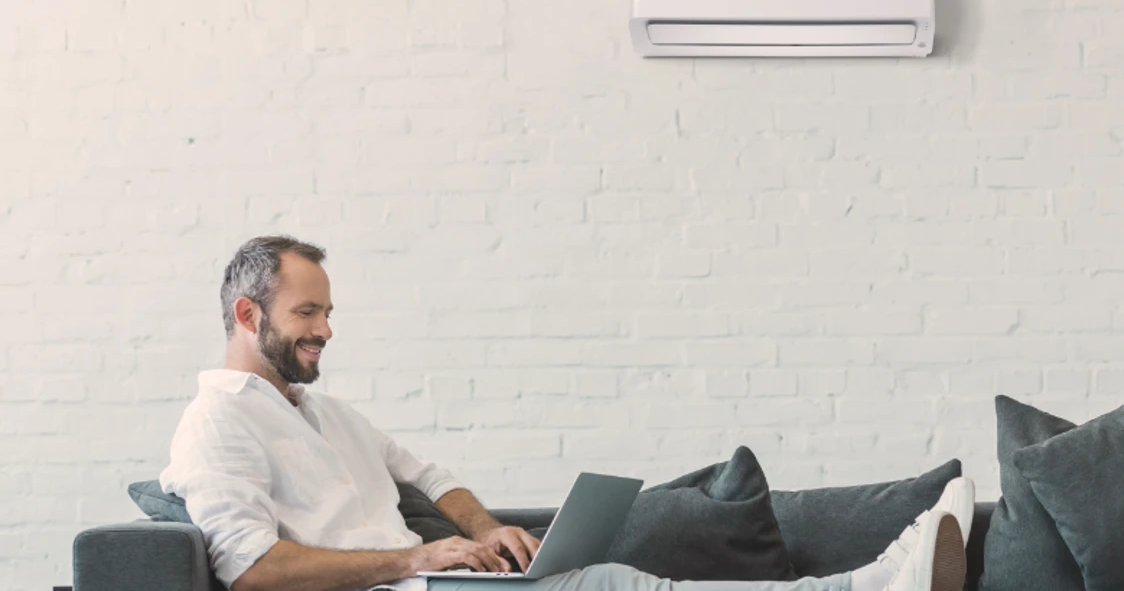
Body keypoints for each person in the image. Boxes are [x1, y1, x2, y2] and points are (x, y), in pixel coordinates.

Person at [158, 235, 976, 591]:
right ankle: (869, 583)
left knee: (604, 575)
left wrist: (479, 531)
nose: (325, 330)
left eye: (329, 312)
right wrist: (415, 562)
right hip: (403, 590)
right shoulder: (217, 423)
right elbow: (252, 569)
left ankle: (868, 582)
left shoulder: (325, 414)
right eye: (307, 314)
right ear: (245, 315)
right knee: (616, 581)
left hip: (436, 584)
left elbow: (430, 477)